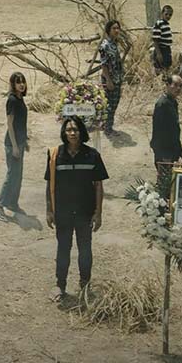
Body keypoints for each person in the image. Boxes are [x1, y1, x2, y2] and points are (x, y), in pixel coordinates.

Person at [44, 116, 108, 301]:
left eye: (76, 129)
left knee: (85, 249)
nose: (72, 133)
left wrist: (98, 213)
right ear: (64, 133)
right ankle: (60, 285)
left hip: (84, 212)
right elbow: (49, 184)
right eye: (69, 130)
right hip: (62, 212)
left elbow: (98, 186)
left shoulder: (92, 155)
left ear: (82, 132)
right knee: (63, 249)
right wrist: (49, 210)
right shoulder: (55, 155)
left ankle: (85, 285)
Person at [0, 72, 29, 222]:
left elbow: (21, 122)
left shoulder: (20, 99)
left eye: (23, 81)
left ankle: (12, 203)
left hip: (20, 142)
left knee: (18, 176)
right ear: (13, 84)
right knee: (11, 175)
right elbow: (10, 124)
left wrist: (24, 141)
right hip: (12, 143)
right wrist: (14, 146)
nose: (21, 84)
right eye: (18, 82)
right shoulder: (12, 100)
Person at [150, 74, 182, 196]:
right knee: (164, 183)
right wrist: (164, 155)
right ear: (167, 85)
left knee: (171, 181)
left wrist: (179, 151)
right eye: (175, 85)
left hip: (172, 148)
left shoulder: (172, 102)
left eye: (180, 86)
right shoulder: (162, 104)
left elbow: (174, 130)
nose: (178, 88)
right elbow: (159, 132)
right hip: (164, 150)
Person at [99, 20, 124, 136]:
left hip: (117, 78)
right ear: (108, 30)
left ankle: (106, 126)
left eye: (118, 28)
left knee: (114, 103)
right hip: (110, 79)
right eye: (114, 28)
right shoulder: (105, 45)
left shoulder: (114, 44)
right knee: (110, 105)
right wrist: (108, 81)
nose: (117, 30)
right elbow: (104, 65)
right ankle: (108, 129)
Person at [152, 5, 174, 75]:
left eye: (170, 15)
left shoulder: (166, 24)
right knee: (160, 69)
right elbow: (155, 40)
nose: (168, 16)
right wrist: (158, 54)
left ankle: (165, 80)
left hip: (167, 50)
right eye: (166, 14)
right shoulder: (159, 24)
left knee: (166, 68)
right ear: (162, 13)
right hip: (161, 50)